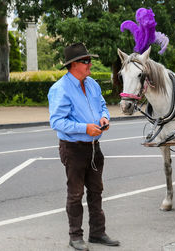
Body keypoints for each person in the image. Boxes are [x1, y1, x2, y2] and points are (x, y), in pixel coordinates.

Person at [48, 43, 120, 251]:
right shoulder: (60, 89)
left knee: (96, 190)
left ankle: (97, 233)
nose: (90, 64)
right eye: (86, 61)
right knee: (75, 193)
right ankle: (75, 236)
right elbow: (57, 122)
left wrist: (104, 118)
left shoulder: (92, 84)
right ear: (73, 65)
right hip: (73, 147)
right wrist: (85, 128)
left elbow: (103, 106)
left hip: (94, 147)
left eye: (90, 60)